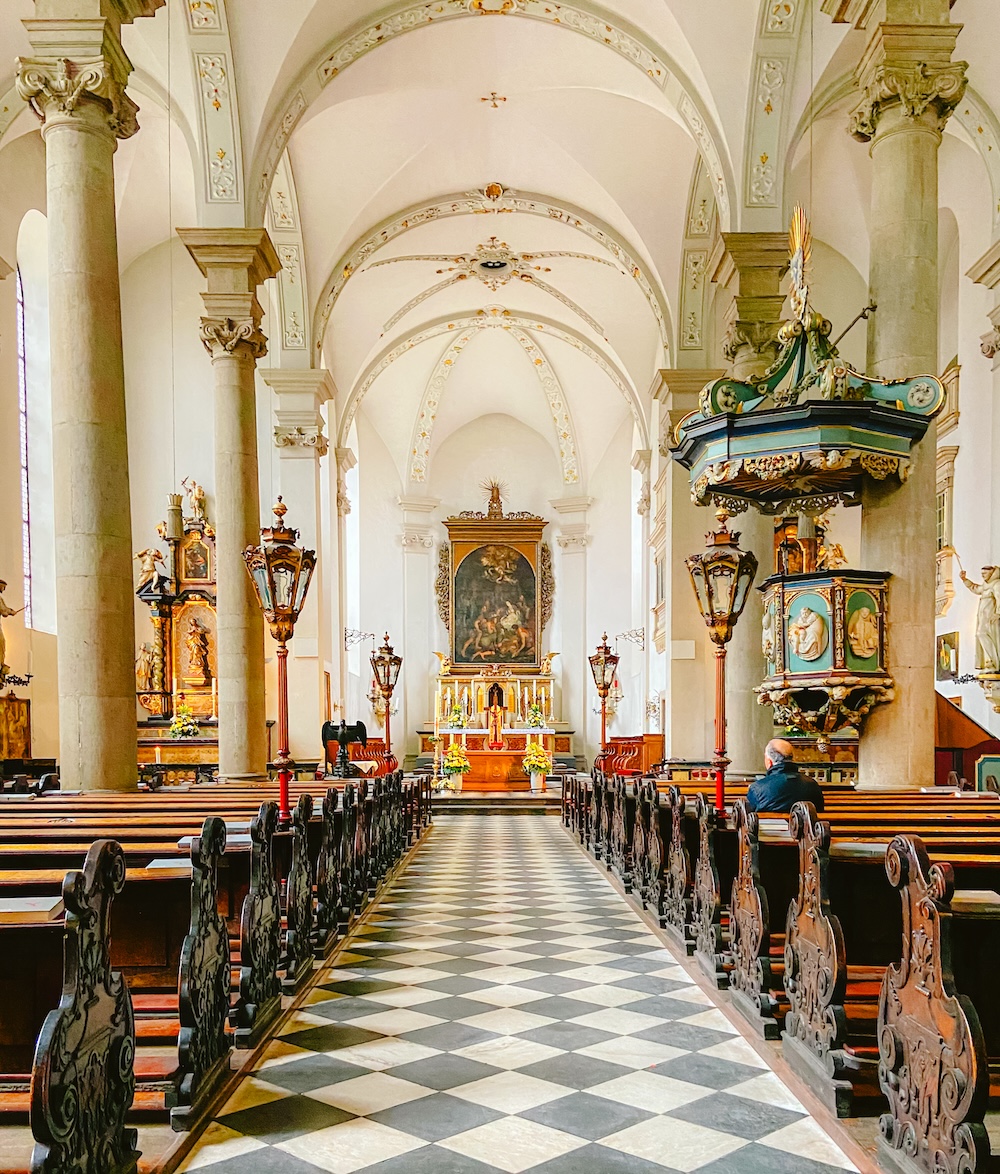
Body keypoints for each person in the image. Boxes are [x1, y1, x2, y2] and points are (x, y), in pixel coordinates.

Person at [745, 738, 825, 814]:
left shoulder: (757, 788)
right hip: (808, 828)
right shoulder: (812, 785)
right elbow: (820, 812)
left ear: (769, 762)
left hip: (771, 828)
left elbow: (749, 819)